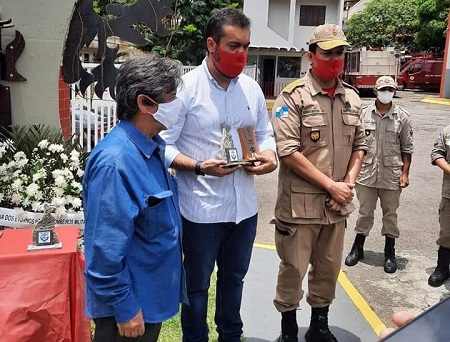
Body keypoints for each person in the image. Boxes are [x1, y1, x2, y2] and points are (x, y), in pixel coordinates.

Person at [160, 8, 277, 342]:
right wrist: (199, 166)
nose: (242, 54)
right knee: (196, 288)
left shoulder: (251, 89)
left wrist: (269, 155)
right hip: (201, 211)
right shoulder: (184, 89)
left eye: (246, 47)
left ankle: (230, 336)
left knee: (234, 281)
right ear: (212, 45)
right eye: (233, 46)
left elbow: (265, 133)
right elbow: (162, 145)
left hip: (244, 210)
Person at [270, 24, 367, 342]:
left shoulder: (351, 97)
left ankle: (319, 326)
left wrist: (348, 186)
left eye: (340, 53)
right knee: (292, 272)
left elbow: (360, 146)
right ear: (312, 57)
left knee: (328, 271)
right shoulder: (293, 96)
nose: (336, 59)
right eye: (329, 53)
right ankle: (288, 333)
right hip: (299, 208)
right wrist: (331, 186)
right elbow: (287, 151)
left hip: (337, 207)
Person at [83, 54, 186, 342]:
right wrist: (125, 308)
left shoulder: (152, 148)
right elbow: (103, 251)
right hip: (128, 308)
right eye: (171, 98)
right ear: (145, 103)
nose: (178, 106)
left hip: (149, 296)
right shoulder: (115, 163)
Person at [345, 75, 413, 274]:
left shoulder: (403, 116)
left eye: (390, 89)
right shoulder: (363, 114)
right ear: (375, 91)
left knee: (390, 215)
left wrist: (405, 173)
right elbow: (354, 145)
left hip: (391, 175)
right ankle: (358, 248)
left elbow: (407, 148)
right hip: (366, 173)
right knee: (365, 213)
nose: (387, 93)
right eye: (383, 89)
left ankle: (389, 252)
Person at [428, 124, 450, 286]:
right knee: (446, 232)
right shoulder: (447, 131)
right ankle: (442, 268)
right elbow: (436, 154)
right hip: (449, 194)